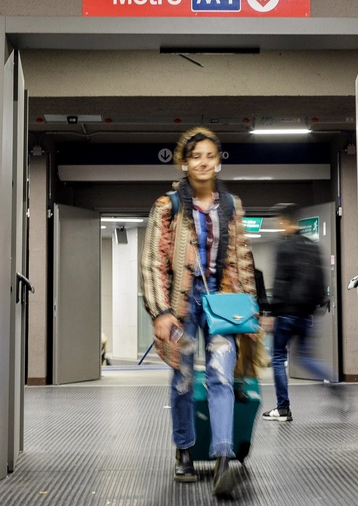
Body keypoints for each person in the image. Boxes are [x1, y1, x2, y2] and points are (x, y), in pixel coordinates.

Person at [141, 127, 258, 497]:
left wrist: (250, 308)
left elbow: (241, 257)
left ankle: (223, 456)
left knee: (222, 377)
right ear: (184, 163)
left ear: (219, 162)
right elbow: (152, 261)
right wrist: (160, 312)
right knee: (184, 380)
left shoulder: (231, 206)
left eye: (210, 155)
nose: (203, 162)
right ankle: (185, 449)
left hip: (222, 305)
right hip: (181, 306)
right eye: (196, 156)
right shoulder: (168, 206)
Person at [260, 204, 337, 422]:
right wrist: (313, 309)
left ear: (284, 222)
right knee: (304, 357)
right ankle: (332, 382)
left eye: (278, 223)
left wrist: (271, 313)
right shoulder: (313, 246)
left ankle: (283, 408)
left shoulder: (283, 247)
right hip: (306, 314)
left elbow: (280, 281)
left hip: (285, 313)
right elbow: (321, 282)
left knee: (278, 358)